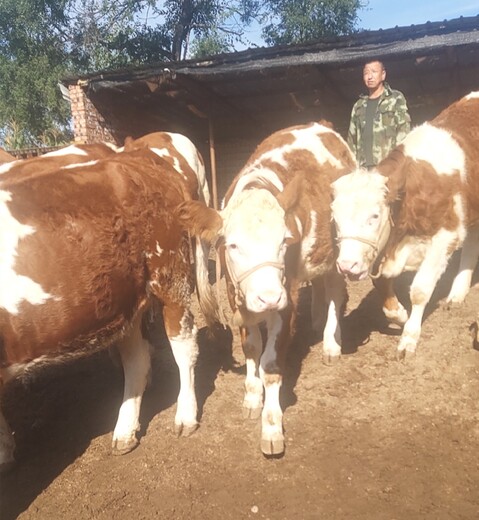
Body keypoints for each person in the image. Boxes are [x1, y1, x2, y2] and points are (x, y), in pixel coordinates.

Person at [347, 60, 411, 169]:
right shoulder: (358, 106)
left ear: (383, 75)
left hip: (388, 167)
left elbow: (403, 131)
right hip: (363, 170)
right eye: (366, 73)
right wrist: (352, 168)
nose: (369, 77)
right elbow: (351, 140)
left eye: (374, 72)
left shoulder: (395, 98)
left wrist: (397, 163)